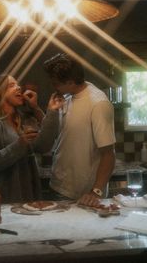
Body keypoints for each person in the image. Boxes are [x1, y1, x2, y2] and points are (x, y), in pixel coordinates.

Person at [0, 74, 63, 203]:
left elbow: (43, 146)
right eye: (12, 85)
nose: (19, 88)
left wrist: (51, 111)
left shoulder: (20, 121)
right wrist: (20, 144)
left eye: (18, 85)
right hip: (4, 199)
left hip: (28, 195)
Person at [43, 53, 116, 207]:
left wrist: (95, 192)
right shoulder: (68, 96)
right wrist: (47, 110)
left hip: (83, 194)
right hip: (57, 186)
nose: (53, 86)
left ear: (70, 82)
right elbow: (64, 135)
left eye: (55, 83)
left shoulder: (98, 103)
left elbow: (109, 154)